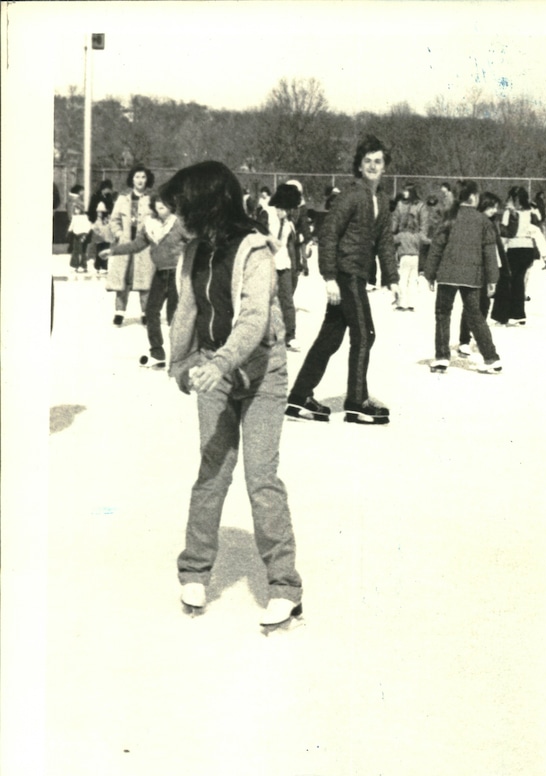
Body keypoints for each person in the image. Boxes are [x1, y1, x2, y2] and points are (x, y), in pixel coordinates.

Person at [160, 160, 302, 630]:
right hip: (214, 371)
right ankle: (196, 570)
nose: (178, 218)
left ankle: (284, 586)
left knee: (261, 479)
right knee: (213, 470)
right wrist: (179, 363)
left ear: (207, 204)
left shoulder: (254, 250)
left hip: (262, 373)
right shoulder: (194, 251)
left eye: (184, 208)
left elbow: (253, 320)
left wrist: (219, 362)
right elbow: (187, 308)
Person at [285, 135, 398, 426]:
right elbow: (329, 234)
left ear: (385, 167)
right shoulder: (351, 195)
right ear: (359, 167)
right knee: (364, 334)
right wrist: (330, 277)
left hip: (358, 274)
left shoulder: (381, 200)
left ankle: (299, 397)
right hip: (346, 275)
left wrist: (392, 277)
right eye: (368, 161)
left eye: (378, 161)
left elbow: (385, 241)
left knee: (331, 337)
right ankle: (357, 401)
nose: (373, 166)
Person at [422, 179, 502, 374]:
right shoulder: (483, 221)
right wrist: (493, 279)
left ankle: (442, 356)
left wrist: (430, 273)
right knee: (475, 316)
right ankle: (491, 358)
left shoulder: (449, 218)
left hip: (447, 274)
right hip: (472, 276)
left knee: (443, 313)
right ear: (473, 197)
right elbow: (490, 253)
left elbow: (436, 248)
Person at [109, 193, 189, 368]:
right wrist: (114, 251)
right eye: (158, 205)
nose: (161, 208)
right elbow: (136, 245)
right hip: (160, 274)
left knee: (174, 316)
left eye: (165, 205)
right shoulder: (150, 225)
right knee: (151, 311)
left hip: (177, 274)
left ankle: (182, 355)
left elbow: (196, 242)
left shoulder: (179, 223)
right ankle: (157, 353)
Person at [456, 191, 505, 357]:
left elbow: (496, 247)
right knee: (471, 306)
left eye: (496, 208)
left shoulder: (492, 223)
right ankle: (464, 340)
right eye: (491, 207)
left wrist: (501, 267)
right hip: (474, 268)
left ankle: (479, 335)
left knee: (484, 304)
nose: (494, 211)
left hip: (489, 268)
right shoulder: (473, 222)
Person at [107, 165, 155, 326]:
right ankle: (119, 312)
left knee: (145, 279)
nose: (140, 180)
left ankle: (146, 313)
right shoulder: (122, 199)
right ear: (132, 179)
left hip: (144, 246)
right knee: (123, 279)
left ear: (147, 179)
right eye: (137, 177)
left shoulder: (152, 199)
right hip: (126, 244)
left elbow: (158, 220)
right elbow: (114, 220)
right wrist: (120, 234)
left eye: (143, 177)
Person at [491, 185, 543, 326]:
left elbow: (505, 233)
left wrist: (499, 250)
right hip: (528, 250)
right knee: (519, 281)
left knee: (505, 281)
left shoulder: (510, 213)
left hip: (514, 248)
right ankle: (519, 314)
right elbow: (538, 225)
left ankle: (501, 315)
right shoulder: (531, 211)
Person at [265, 183, 301, 348]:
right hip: (268, 264)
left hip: (284, 264)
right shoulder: (267, 214)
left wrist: (296, 266)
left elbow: (291, 246)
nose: (286, 212)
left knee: (287, 300)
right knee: (266, 301)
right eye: (285, 208)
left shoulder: (289, 222)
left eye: (289, 209)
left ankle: (290, 335)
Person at [390, 183, 427, 312]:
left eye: (405, 191)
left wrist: (393, 233)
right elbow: (424, 226)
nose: (403, 193)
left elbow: (394, 223)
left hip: (404, 244)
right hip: (415, 245)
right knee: (413, 278)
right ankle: (411, 303)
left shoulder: (401, 205)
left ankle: (402, 302)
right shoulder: (420, 206)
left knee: (403, 277)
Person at [67, 184, 92, 276]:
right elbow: (74, 215)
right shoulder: (76, 201)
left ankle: (77, 264)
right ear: (79, 191)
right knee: (81, 248)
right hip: (80, 227)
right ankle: (80, 264)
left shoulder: (72, 200)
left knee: (77, 247)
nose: (84, 193)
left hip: (76, 227)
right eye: (83, 191)